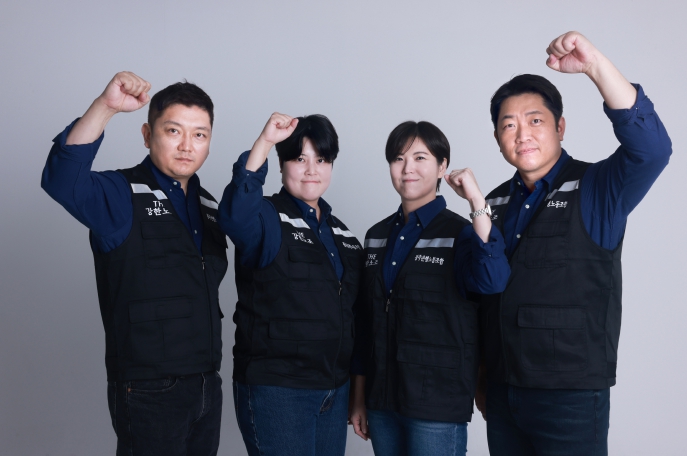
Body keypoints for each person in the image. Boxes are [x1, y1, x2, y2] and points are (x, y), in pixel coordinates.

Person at [477, 31, 672, 455]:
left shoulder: (596, 187)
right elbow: (484, 295)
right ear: (497, 138)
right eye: (509, 125)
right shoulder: (492, 203)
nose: (522, 134)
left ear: (560, 127)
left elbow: (652, 150)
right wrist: (482, 377)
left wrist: (594, 66)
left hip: (570, 398)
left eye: (535, 120)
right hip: (502, 391)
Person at [41, 72, 228, 456]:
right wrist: (106, 106)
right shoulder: (120, 193)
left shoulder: (209, 206)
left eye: (200, 134)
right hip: (149, 387)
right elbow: (62, 180)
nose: (187, 145)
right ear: (147, 134)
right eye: (173, 131)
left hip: (207, 383)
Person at [348, 120, 510, 456]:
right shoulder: (376, 236)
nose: (408, 168)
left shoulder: (461, 234)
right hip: (381, 402)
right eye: (398, 158)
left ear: (442, 166)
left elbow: (493, 279)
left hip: (436, 405)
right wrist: (359, 397)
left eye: (420, 158)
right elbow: (365, 323)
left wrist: (476, 199)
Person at [218, 113, 363, 456]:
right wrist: (265, 142)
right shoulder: (266, 217)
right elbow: (235, 216)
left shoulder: (343, 236)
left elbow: (357, 316)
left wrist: (356, 389)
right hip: (279, 390)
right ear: (282, 165)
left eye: (321, 160)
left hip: (334, 389)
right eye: (300, 159)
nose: (312, 169)